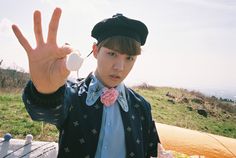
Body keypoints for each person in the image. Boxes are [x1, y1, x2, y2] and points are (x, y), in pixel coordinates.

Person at [12, 7, 163, 158]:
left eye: (129, 58)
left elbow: (152, 151)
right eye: (112, 54)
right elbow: (44, 113)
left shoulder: (141, 106)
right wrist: (45, 91)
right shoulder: (73, 95)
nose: (120, 67)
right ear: (95, 51)